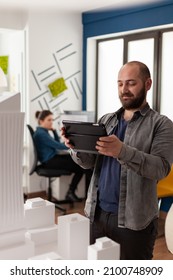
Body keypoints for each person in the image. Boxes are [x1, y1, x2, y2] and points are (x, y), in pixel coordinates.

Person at [62, 61, 173, 259]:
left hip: (134, 222)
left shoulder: (162, 124)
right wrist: (75, 146)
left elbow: (161, 169)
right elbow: (88, 163)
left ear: (148, 84)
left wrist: (122, 151)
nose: (124, 90)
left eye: (131, 83)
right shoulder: (107, 120)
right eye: (120, 84)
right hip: (96, 214)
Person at [33, 110, 85, 202]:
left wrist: (54, 132)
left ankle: (71, 192)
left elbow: (56, 144)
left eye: (52, 120)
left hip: (51, 159)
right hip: (50, 161)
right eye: (49, 120)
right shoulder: (41, 134)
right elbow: (59, 146)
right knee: (80, 166)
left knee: (78, 162)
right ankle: (71, 192)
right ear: (41, 121)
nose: (51, 122)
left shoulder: (42, 132)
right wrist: (75, 143)